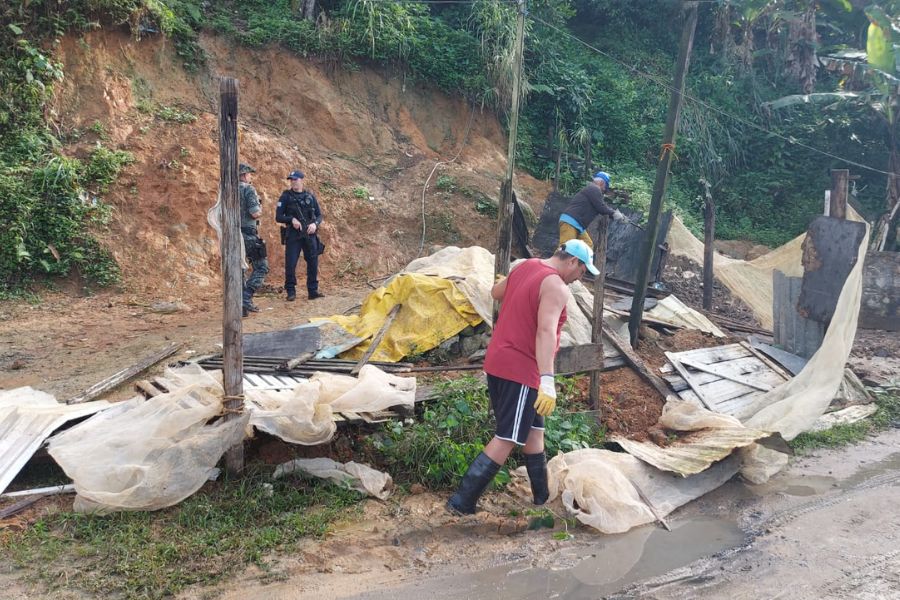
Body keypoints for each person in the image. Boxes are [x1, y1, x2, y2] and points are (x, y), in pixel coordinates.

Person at [447, 239, 601, 515]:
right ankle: (461, 502)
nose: (581, 277)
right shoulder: (556, 287)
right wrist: (547, 380)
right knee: (507, 437)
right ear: (572, 262)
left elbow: (496, 292)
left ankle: (542, 497)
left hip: (499, 360)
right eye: (583, 271)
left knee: (534, 433)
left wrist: (514, 281)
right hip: (521, 369)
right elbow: (545, 332)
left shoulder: (526, 265)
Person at [275, 170, 324, 301]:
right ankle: (291, 291)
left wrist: (315, 224)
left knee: (313, 262)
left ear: (302, 180)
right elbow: (278, 216)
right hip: (293, 235)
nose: (293, 182)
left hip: (309, 233)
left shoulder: (310, 196)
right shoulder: (286, 196)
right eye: (291, 180)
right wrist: (291, 219)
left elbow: (319, 215)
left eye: (295, 180)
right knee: (290, 263)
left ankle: (313, 291)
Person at [558, 171, 627, 248]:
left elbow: (601, 207)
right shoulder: (594, 188)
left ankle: (576, 260)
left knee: (588, 245)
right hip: (570, 222)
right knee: (565, 248)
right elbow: (601, 207)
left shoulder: (592, 189)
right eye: (605, 186)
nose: (604, 190)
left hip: (578, 224)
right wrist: (615, 214)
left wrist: (616, 215)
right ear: (601, 182)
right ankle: (554, 260)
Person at [239, 163, 269, 318]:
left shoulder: (227, 190)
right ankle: (246, 296)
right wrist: (260, 208)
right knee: (262, 267)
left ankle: (240, 307)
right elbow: (255, 213)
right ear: (244, 175)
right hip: (248, 235)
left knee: (240, 270)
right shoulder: (248, 189)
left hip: (233, 235)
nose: (251, 177)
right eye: (249, 174)